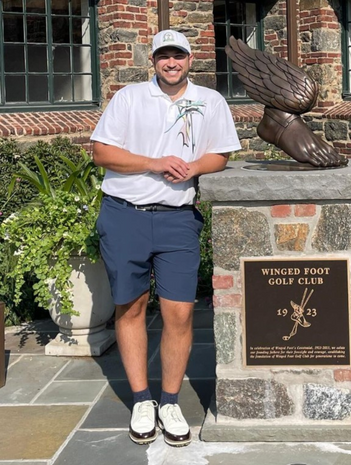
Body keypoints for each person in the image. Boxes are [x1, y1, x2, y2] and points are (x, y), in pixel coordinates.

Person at [91, 29, 241, 447]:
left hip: (178, 220)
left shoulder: (211, 101)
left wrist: (193, 168)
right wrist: (155, 163)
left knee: (179, 312)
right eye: (163, 56)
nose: (170, 62)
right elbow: (101, 152)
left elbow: (222, 153)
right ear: (153, 60)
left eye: (178, 55)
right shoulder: (129, 98)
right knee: (131, 306)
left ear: (190, 60)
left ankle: (170, 400)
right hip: (125, 216)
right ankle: (142, 399)